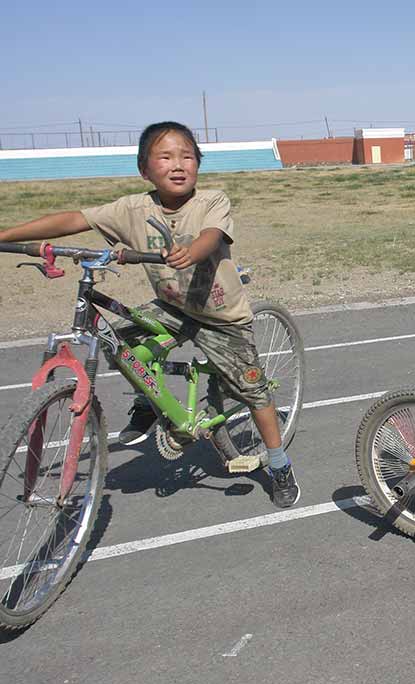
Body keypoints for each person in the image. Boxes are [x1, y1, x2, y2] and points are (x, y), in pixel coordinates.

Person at [0, 121, 301, 508]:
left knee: (253, 391)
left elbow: (212, 236)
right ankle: (148, 402)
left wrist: (191, 252)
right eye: (166, 157)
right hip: (172, 306)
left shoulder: (212, 201)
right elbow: (76, 218)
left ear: (198, 164)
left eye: (188, 156)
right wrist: (7, 236)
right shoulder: (132, 209)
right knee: (115, 337)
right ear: (145, 169)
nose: (179, 164)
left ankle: (279, 464)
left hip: (221, 316)